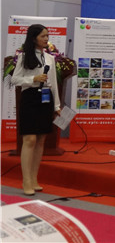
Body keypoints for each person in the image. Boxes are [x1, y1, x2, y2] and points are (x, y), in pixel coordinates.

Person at [11, 24, 61, 195]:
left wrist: (57, 106)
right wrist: (33, 79)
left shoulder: (50, 58)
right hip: (30, 98)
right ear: (33, 38)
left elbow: (54, 84)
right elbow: (15, 79)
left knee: (40, 139)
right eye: (43, 36)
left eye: (47, 35)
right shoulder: (24, 56)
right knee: (30, 139)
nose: (46, 39)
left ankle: (34, 178)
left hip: (46, 98)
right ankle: (26, 180)